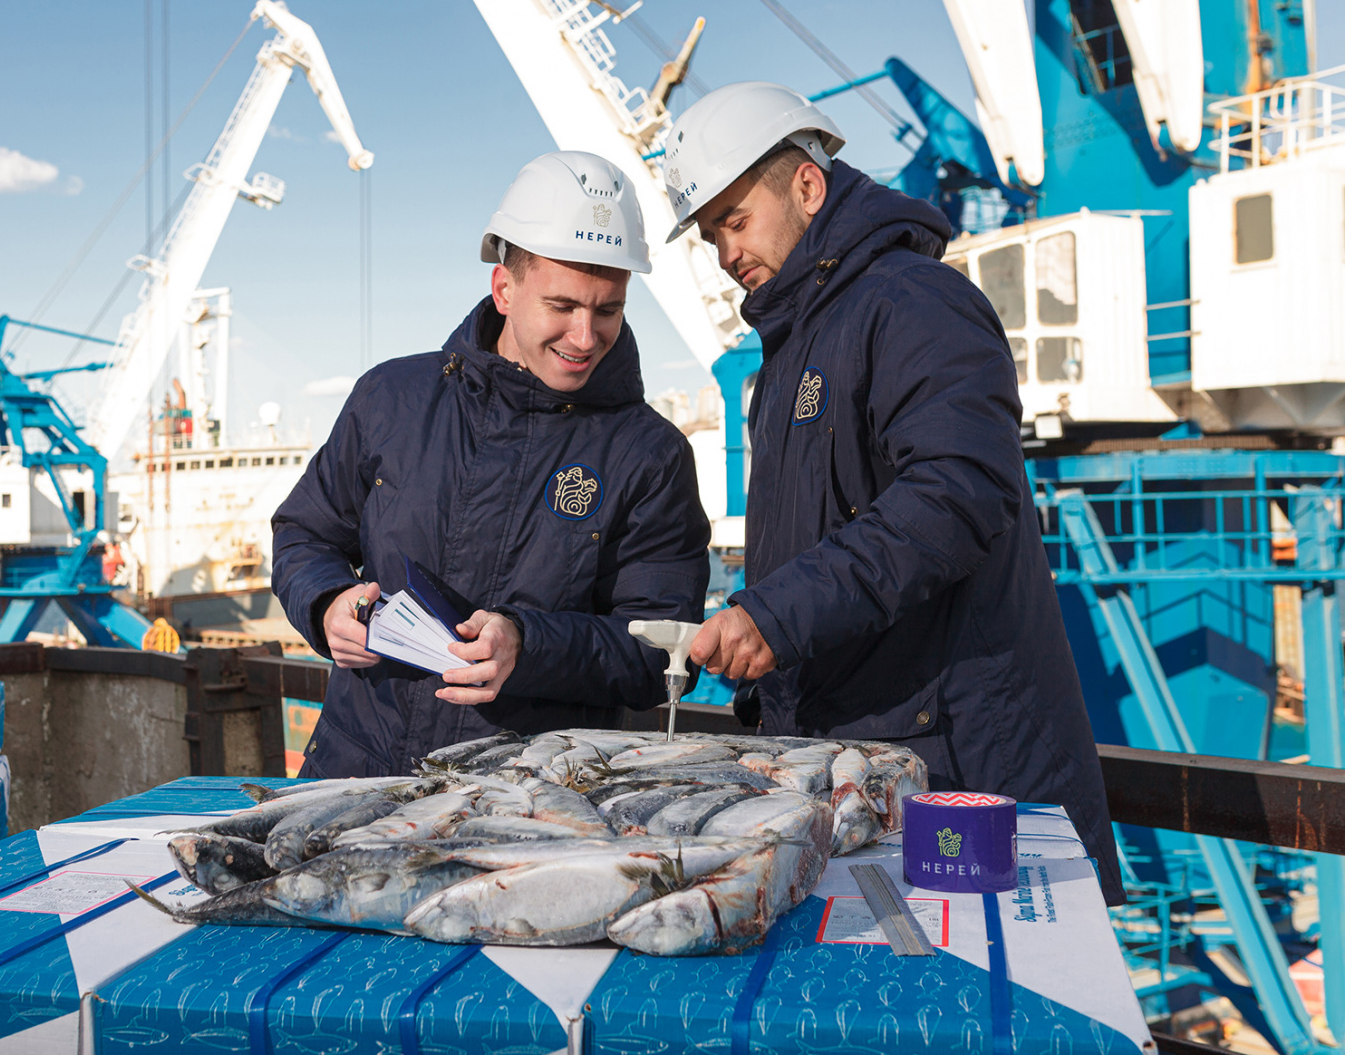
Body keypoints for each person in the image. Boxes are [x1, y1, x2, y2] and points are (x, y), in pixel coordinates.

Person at [662, 82, 1123, 903]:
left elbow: (957, 495)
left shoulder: (913, 301)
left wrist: (776, 617)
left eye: (735, 220)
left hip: (954, 773)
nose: (725, 253)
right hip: (861, 768)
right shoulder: (788, 357)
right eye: (709, 236)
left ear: (807, 186)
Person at [272, 151, 711, 778]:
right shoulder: (392, 397)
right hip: (357, 775)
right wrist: (325, 604)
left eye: (607, 309)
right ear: (504, 289)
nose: (585, 336)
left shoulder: (652, 455)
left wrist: (526, 647)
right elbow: (303, 533)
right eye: (562, 306)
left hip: (529, 803)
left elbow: (658, 652)